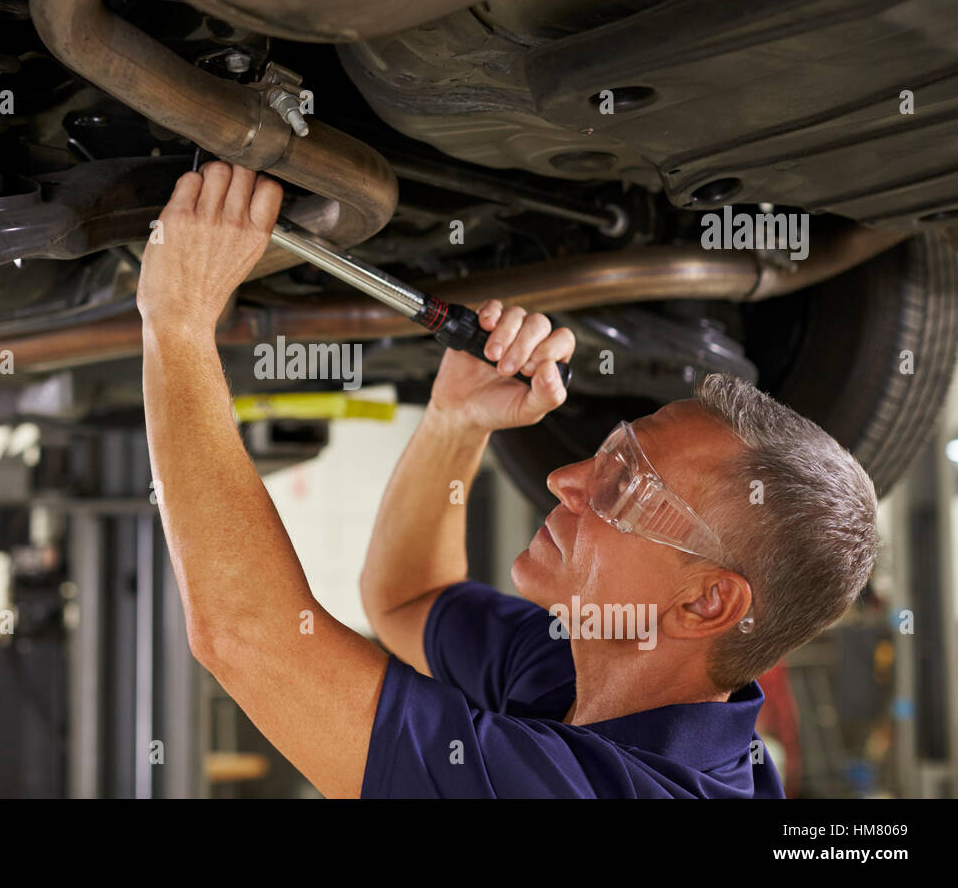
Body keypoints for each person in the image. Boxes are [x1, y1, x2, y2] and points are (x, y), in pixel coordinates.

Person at [135, 160, 878, 797]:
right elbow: (406, 599)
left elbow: (249, 636)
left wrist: (178, 320)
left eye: (625, 487)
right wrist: (455, 425)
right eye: (609, 452)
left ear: (708, 599)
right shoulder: (588, 665)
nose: (563, 479)